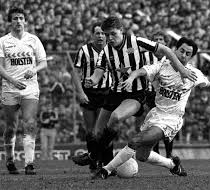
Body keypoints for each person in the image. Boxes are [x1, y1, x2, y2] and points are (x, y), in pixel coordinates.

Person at [92, 37, 210, 179]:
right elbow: (142, 70)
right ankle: (172, 165)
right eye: (182, 51)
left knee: (135, 141)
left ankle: (106, 170)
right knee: (142, 156)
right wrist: (131, 77)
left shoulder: (194, 74)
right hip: (155, 115)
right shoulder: (162, 66)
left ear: (191, 57)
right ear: (175, 50)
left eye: (188, 54)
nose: (183, 55)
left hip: (171, 120)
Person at [71, 16, 197, 171]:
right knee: (97, 134)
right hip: (113, 94)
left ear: (121, 31)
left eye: (113, 34)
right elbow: (97, 75)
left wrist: (182, 70)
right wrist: (91, 80)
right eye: (106, 34)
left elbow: (165, 50)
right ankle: (99, 161)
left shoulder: (136, 42)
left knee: (116, 117)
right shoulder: (105, 52)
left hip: (135, 95)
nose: (109, 38)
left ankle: (93, 156)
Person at [0, 7, 48, 175]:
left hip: (30, 88)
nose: (18, 21)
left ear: (25, 21)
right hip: (10, 89)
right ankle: (10, 160)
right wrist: (13, 80)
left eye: (21, 18)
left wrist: (35, 69)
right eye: (15, 18)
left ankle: (29, 163)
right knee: (11, 127)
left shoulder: (33, 39)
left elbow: (43, 63)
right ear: (10, 21)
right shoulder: (3, 41)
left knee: (29, 123)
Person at [71, 22, 112, 172]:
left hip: (106, 92)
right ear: (92, 35)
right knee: (90, 131)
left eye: (103, 33)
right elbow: (75, 73)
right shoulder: (84, 50)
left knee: (102, 130)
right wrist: (80, 93)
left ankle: (107, 162)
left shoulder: (112, 49)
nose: (100, 36)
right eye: (97, 33)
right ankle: (94, 162)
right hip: (88, 93)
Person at [137, 30, 174, 157]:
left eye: (161, 39)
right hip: (150, 94)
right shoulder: (145, 56)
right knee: (154, 123)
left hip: (166, 95)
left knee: (168, 123)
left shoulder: (170, 56)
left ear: (166, 42)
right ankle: (156, 151)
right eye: (156, 40)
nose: (158, 42)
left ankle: (169, 153)